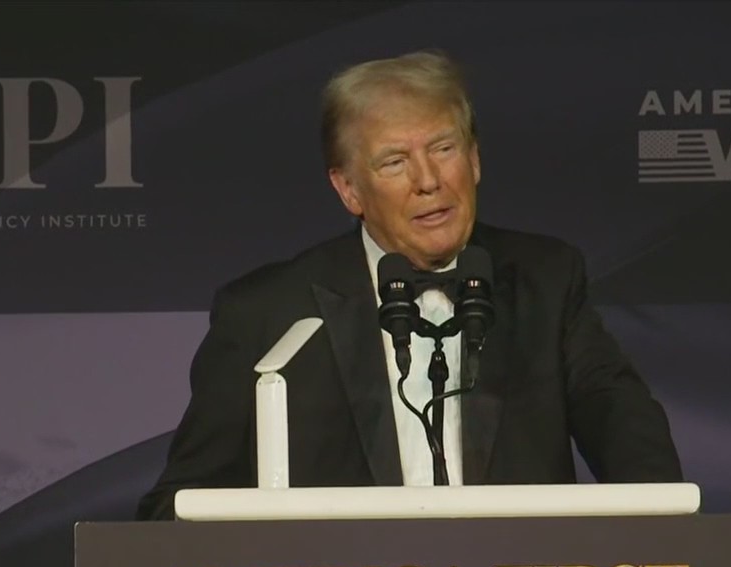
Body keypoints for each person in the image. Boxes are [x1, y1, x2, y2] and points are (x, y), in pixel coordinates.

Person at [135, 50, 683, 520]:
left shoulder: (545, 278)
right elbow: (182, 503)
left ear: (474, 159)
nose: (428, 181)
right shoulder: (267, 313)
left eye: (443, 149)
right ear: (349, 189)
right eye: (395, 162)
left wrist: (674, 533)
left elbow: (627, 434)